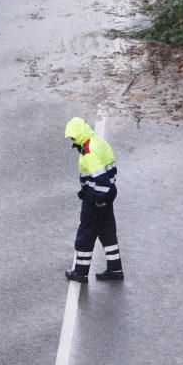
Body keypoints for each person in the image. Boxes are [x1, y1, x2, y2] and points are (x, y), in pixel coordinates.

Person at [64, 117, 124, 282]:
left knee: (86, 234)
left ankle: (80, 273)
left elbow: (100, 178)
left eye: (72, 138)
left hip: (96, 198)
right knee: (107, 232)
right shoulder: (99, 142)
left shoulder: (88, 151)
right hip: (109, 193)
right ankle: (115, 269)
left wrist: (98, 199)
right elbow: (110, 173)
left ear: (78, 136)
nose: (72, 142)